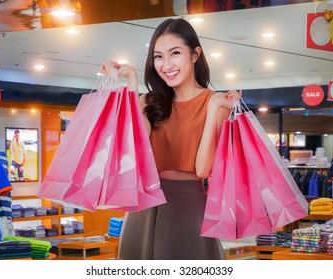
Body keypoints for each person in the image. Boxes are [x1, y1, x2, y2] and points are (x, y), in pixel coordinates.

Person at [101, 18, 241, 260]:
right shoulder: (149, 101)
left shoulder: (216, 102)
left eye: (174, 53)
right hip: (143, 206)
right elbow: (135, 152)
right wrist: (132, 84)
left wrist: (212, 111)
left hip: (188, 207)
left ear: (195, 54)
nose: (166, 65)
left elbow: (203, 168)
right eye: (158, 56)